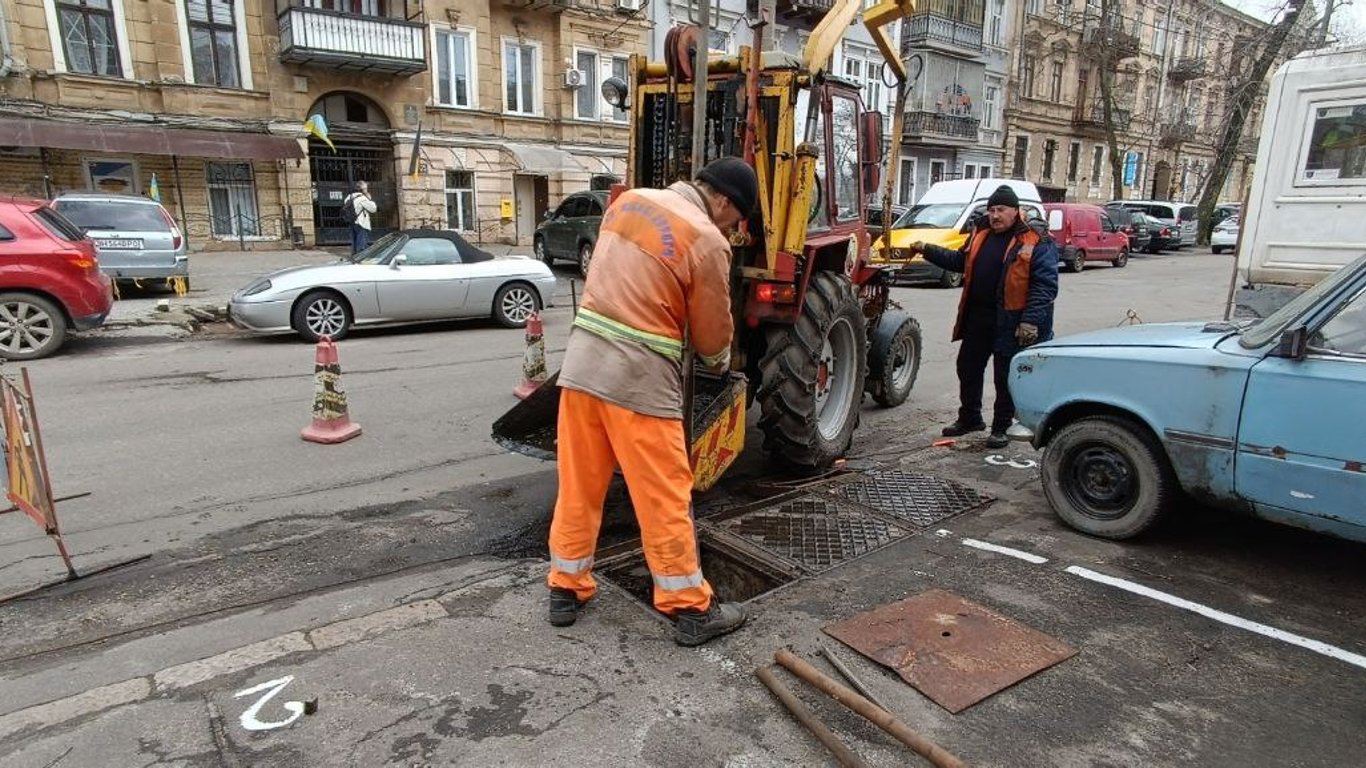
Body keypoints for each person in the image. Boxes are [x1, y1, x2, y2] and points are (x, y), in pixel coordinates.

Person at [546, 157, 758, 647]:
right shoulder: (707, 240)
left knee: (579, 486)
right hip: (639, 383)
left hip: (580, 370)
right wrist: (721, 360)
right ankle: (690, 609)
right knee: (664, 496)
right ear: (723, 200)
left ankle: (565, 588)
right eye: (737, 217)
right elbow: (710, 335)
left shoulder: (628, 203)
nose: (734, 227)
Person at [905, 184, 1059, 449]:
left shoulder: (1036, 238)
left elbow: (1044, 285)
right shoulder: (981, 232)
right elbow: (960, 262)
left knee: (1004, 377)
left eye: (1001, 210)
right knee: (968, 367)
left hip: (1012, 321)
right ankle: (970, 418)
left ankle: (1001, 427)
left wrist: (1030, 321)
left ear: (1015, 211)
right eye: (991, 210)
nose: (995, 215)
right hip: (979, 318)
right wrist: (926, 249)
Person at [344, 181, 377, 255]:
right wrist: (370, 199)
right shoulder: (362, 198)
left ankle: (354, 258)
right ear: (363, 189)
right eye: (366, 188)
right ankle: (360, 260)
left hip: (352, 222)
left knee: (354, 243)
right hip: (361, 223)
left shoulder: (349, 197)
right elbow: (373, 209)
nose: (367, 190)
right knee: (361, 245)